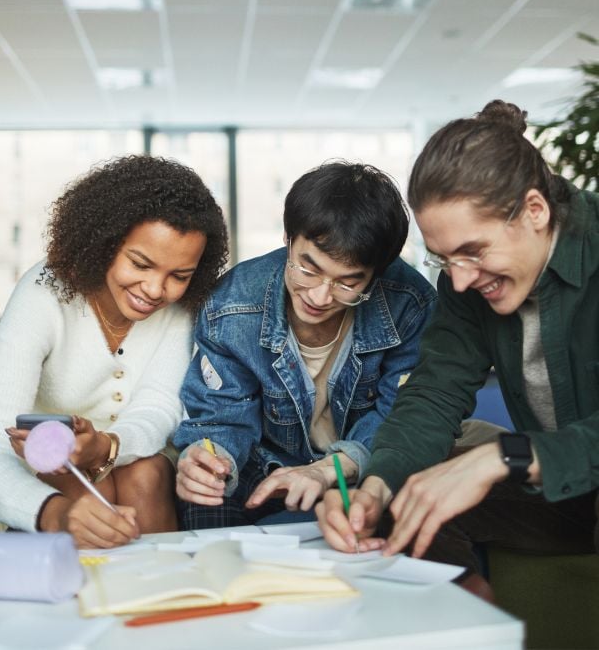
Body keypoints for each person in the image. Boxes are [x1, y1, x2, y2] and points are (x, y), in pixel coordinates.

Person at [316, 101, 599, 586]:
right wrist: (379, 488)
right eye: (444, 259)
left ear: (535, 210)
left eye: (473, 251)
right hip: (564, 494)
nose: (461, 280)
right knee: (410, 496)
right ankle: (474, 628)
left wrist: (505, 456)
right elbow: (435, 391)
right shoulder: (466, 281)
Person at [174, 160, 435, 529]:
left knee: (404, 515)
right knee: (207, 506)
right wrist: (210, 461)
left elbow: (403, 417)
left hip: (360, 461)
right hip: (261, 459)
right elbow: (222, 416)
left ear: (377, 274)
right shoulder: (232, 304)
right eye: (308, 268)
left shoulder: (409, 303)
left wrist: (331, 470)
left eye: (348, 283)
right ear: (288, 238)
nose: (320, 296)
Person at [0, 155, 228, 549]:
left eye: (179, 276)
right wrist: (55, 513)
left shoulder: (180, 307)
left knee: (146, 472)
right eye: (140, 263)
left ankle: (167, 600)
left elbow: (159, 406)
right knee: (71, 481)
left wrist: (107, 447)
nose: (156, 290)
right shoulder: (42, 293)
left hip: (142, 467)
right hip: (50, 473)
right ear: (104, 242)